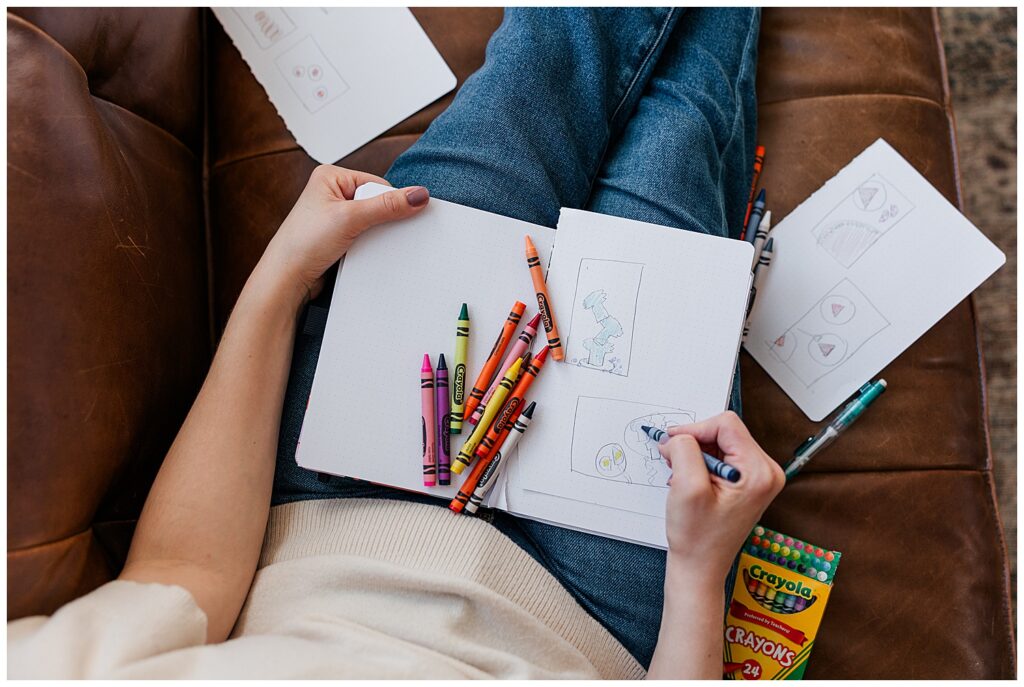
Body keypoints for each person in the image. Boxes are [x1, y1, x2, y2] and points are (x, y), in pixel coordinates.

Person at [9, 7, 783, 679]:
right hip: (592, 609)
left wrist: (287, 269)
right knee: (688, 122)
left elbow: (182, 571)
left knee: (547, 56)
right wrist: (699, 568)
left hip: (344, 489)